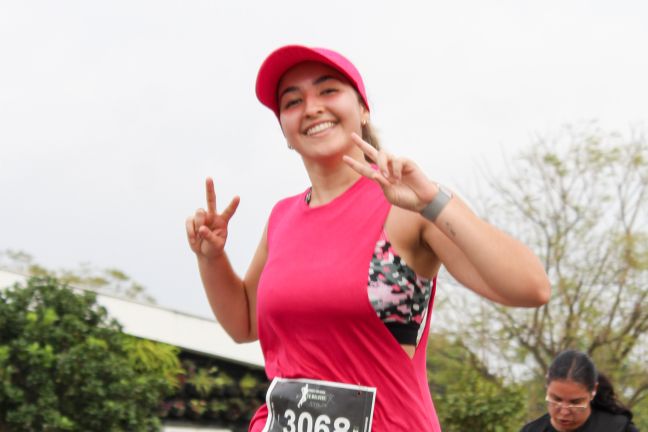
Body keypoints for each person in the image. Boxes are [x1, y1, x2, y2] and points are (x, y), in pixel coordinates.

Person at [186, 45, 551, 431]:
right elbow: (244, 325)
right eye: (292, 101)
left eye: (328, 91)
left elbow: (531, 288)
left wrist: (433, 202)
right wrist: (211, 257)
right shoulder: (281, 217)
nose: (311, 108)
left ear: (362, 109)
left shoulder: (409, 205)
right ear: (286, 132)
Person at [520, 350, 639, 432]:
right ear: (547, 386)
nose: (564, 412)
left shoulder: (618, 428)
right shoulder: (532, 430)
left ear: (593, 391)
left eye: (575, 402)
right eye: (556, 399)